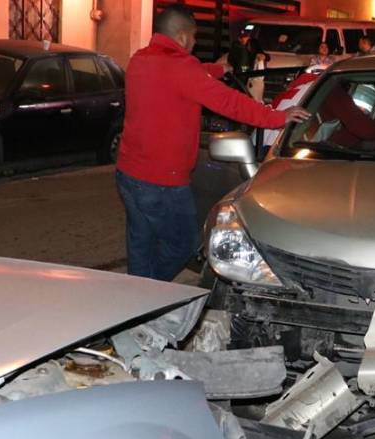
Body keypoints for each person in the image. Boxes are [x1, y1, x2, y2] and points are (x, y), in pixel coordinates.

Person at [116, 5, 310, 281]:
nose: (195, 42)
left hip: (128, 174)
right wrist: (276, 117)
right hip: (162, 182)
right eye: (194, 36)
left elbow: (189, 75)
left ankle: (134, 295)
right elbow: (229, 102)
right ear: (182, 36)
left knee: (141, 242)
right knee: (183, 245)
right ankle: (149, 291)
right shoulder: (182, 69)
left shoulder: (140, 59)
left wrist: (217, 70)